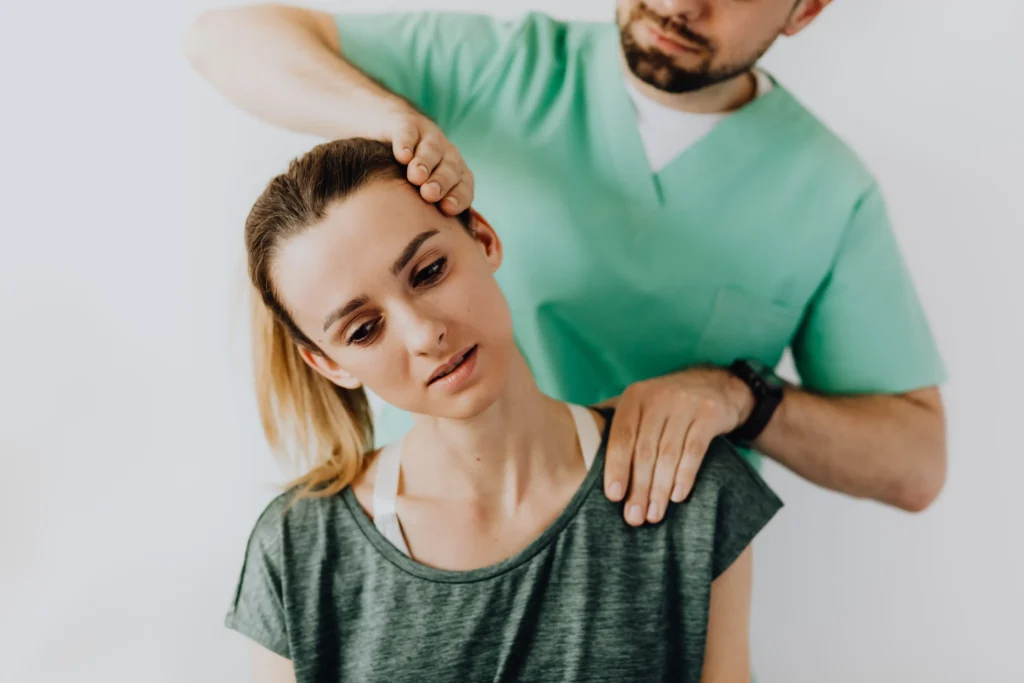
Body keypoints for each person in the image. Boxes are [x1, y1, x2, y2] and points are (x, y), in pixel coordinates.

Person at [185, 0, 947, 526]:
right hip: (434, 540)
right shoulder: (495, 69)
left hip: (646, 575)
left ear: (806, 9)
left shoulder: (829, 192)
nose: (678, 3)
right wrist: (389, 121)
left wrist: (741, 395)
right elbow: (223, 36)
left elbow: (917, 463)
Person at [229, 137, 781, 683]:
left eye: (429, 272)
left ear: (483, 238)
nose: (424, 334)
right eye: (364, 330)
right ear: (330, 365)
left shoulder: (687, 484)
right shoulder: (296, 551)